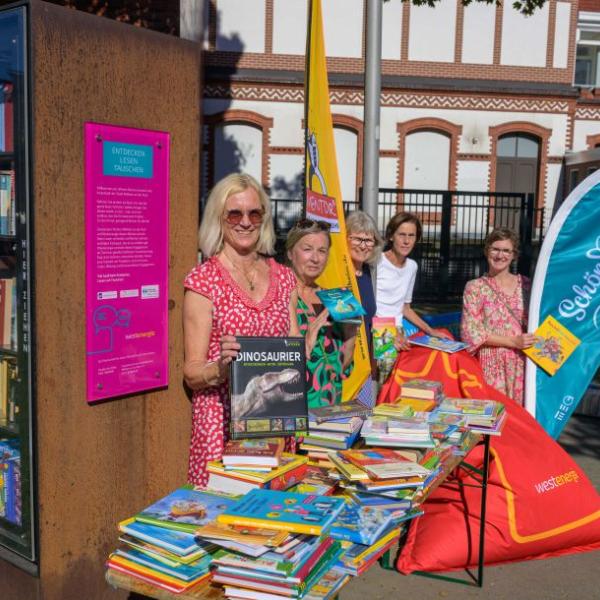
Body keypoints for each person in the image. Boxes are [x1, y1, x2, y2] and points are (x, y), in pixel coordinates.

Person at [182, 173, 299, 487]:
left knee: (273, 516)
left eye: (254, 213)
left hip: (273, 418)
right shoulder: (204, 280)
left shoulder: (285, 277)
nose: (245, 222)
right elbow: (191, 372)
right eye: (235, 213)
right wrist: (219, 369)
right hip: (220, 424)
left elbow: (293, 344)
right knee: (225, 521)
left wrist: (301, 350)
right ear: (219, 218)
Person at [286, 219, 358, 408]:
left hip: (329, 408)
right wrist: (308, 334)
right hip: (293, 406)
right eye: (307, 249)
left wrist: (351, 333)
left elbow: (342, 368)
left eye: (322, 251)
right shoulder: (279, 297)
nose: (315, 258)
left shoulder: (334, 298)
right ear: (290, 253)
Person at [461, 228, 536, 405]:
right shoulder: (475, 287)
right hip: (491, 364)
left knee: (522, 420)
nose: (500, 255)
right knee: (494, 418)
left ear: (513, 255)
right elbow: (471, 332)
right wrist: (513, 342)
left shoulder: (527, 285)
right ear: (487, 251)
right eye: (495, 249)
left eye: (506, 250)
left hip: (523, 363)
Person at [376, 212, 448, 345]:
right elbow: (367, 303)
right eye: (401, 235)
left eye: (411, 235)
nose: (406, 241)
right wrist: (388, 332)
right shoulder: (377, 261)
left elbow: (405, 308)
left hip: (398, 330)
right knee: (386, 365)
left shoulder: (412, 266)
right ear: (391, 236)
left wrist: (431, 331)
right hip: (377, 328)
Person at [345, 211, 384, 351]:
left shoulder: (367, 271)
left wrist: (385, 347)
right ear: (345, 239)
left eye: (368, 240)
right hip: (343, 359)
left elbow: (369, 322)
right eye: (357, 239)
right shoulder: (341, 275)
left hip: (365, 360)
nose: (363, 246)